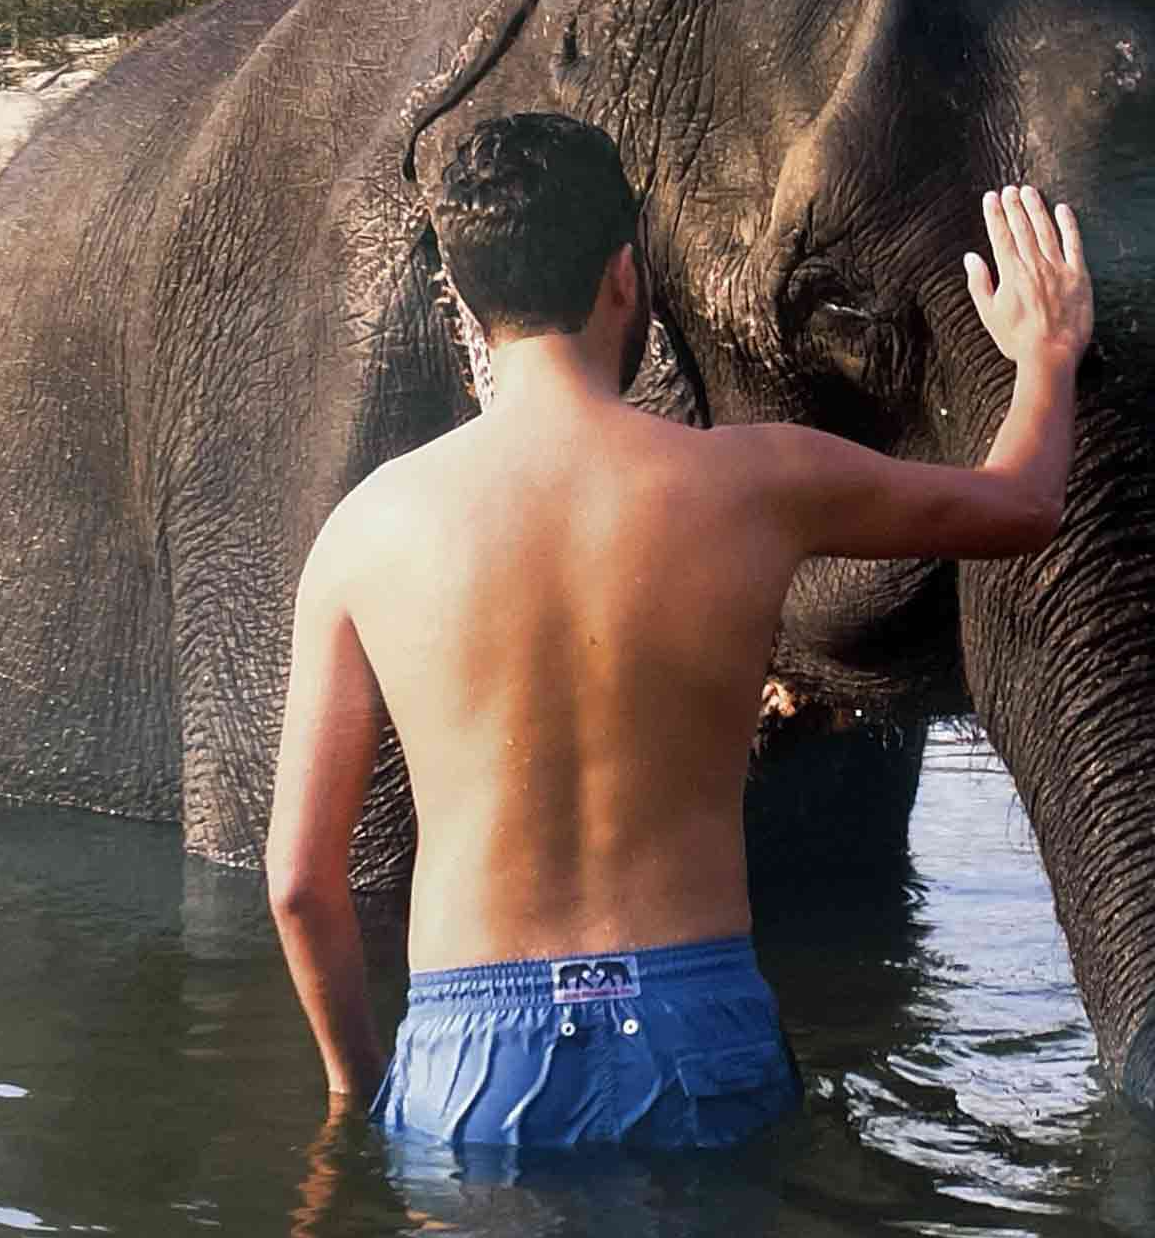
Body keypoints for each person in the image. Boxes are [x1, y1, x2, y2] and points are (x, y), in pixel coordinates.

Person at [265, 112, 1092, 1154]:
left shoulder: (364, 530)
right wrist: (1048, 352)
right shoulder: (755, 479)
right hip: (693, 1026)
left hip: (472, 1052)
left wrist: (364, 1090)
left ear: (467, 307)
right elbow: (1022, 504)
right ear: (625, 276)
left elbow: (300, 885)